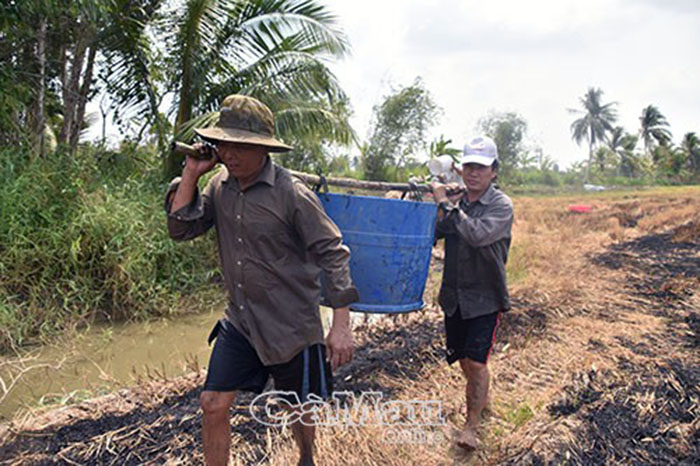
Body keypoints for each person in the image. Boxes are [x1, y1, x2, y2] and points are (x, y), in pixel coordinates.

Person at [165, 94, 359, 466]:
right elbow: (181, 229)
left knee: (298, 407)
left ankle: (306, 458)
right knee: (212, 403)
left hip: (291, 326)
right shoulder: (219, 186)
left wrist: (341, 325)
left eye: (240, 146)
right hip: (242, 321)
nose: (230, 154)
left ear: (263, 149)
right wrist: (191, 173)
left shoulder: (292, 194)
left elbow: (333, 252)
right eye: (224, 144)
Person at [429, 136, 513, 451]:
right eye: (468, 166)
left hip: (484, 297)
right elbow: (436, 233)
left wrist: (446, 205)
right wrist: (433, 206)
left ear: (493, 172)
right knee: (464, 360)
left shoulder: (500, 206)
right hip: (454, 296)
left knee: (476, 363)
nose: (473, 173)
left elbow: (478, 236)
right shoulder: (457, 201)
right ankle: (483, 399)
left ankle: (471, 427)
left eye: (481, 167)